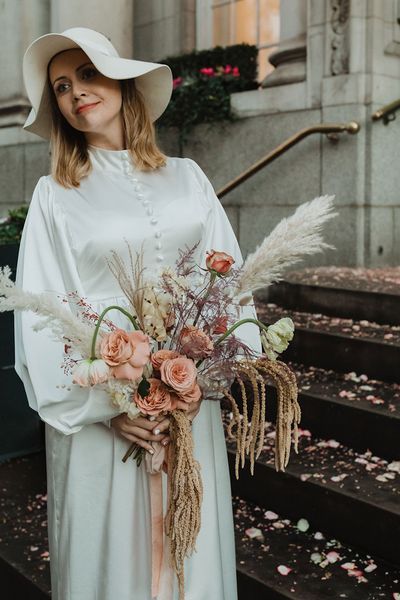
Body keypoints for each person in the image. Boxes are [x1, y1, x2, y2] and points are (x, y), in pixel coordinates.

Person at [14, 27, 261, 600]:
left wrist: (209, 372)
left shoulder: (188, 177)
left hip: (189, 404)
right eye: (62, 86)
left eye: (89, 73)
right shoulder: (56, 194)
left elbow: (229, 283)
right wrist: (109, 406)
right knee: (113, 562)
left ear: (123, 82)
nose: (77, 92)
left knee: (191, 553)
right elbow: (45, 312)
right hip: (104, 415)